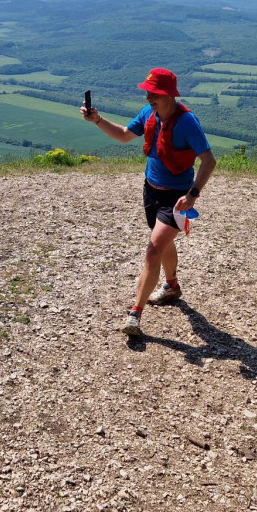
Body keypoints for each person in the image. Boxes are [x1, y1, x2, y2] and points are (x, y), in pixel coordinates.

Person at [81, 68, 216, 336]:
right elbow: (122, 135)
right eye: (146, 92)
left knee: (153, 250)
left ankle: (135, 314)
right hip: (151, 190)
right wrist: (97, 120)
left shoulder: (187, 122)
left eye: (152, 93)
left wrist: (192, 194)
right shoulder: (149, 114)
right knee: (162, 243)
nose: (147, 97)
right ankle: (172, 286)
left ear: (168, 94)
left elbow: (209, 160)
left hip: (176, 199)